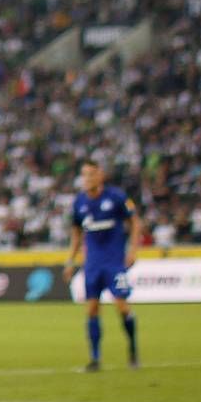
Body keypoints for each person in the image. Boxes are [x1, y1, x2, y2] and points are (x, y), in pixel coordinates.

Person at [62, 159, 142, 372]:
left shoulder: (116, 197)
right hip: (93, 265)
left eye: (90, 174)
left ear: (100, 175)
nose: (86, 179)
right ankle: (95, 359)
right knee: (92, 309)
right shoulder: (79, 202)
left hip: (115, 263)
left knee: (122, 307)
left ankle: (133, 350)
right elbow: (76, 234)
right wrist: (70, 261)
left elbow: (135, 221)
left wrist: (133, 250)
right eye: (84, 175)